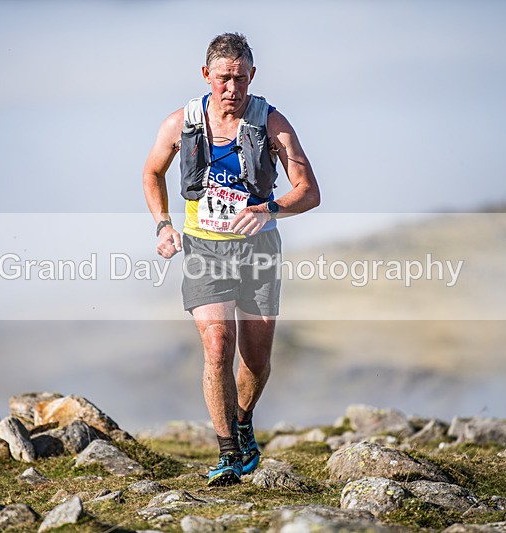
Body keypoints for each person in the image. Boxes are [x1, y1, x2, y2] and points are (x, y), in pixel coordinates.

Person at [142, 33, 320, 486]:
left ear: (252, 77)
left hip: (259, 249)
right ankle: (227, 454)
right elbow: (152, 173)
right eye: (223, 78)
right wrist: (163, 224)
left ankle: (243, 421)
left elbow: (309, 192)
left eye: (240, 79)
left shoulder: (272, 123)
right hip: (204, 247)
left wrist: (270, 208)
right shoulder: (181, 123)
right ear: (206, 76)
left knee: (256, 359)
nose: (231, 89)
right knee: (217, 345)